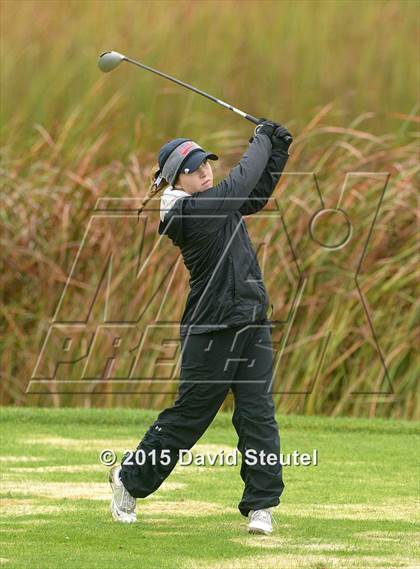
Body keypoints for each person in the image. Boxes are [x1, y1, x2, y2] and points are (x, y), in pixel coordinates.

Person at [109, 119, 292, 535]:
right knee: (190, 418)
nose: (205, 171)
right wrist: (261, 138)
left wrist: (278, 147)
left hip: (250, 320)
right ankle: (127, 481)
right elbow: (242, 183)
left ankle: (261, 506)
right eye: (193, 169)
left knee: (258, 414)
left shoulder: (214, 201)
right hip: (212, 330)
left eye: (206, 163)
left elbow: (256, 193)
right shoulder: (191, 213)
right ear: (177, 180)